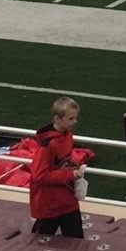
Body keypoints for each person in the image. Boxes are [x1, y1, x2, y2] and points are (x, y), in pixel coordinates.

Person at [28, 98, 94, 238]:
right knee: (39, 244)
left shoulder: (67, 135)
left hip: (67, 200)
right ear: (57, 119)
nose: (75, 121)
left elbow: (64, 160)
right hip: (50, 204)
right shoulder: (47, 146)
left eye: (76, 117)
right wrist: (70, 175)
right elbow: (39, 175)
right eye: (71, 118)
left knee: (76, 241)